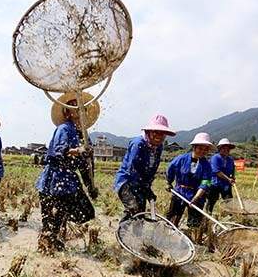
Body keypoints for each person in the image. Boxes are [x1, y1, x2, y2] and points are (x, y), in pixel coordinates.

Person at [36, 92, 99, 252]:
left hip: (69, 180)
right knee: (52, 223)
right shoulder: (64, 128)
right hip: (55, 179)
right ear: (67, 112)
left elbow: (86, 166)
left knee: (86, 212)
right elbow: (60, 152)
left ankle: (58, 227)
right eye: (75, 107)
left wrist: (90, 186)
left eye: (82, 108)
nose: (79, 111)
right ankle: (49, 247)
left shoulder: (84, 136)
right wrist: (78, 150)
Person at [114, 114, 174, 220]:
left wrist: (147, 188)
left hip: (142, 184)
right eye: (156, 132)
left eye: (162, 133)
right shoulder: (138, 144)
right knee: (133, 209)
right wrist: (145, 188)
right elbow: (132, 170)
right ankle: (123, 234)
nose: (159, 136)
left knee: (141, 213)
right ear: (149, 131)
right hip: (127, 182)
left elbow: (152, 169)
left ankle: (136, 234)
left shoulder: (159, 147)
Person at [165, 132, 214, 228]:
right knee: (173, 218)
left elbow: (206, 182)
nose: (202, 151)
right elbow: (170, 169)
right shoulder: (181, 159)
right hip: (180, 192)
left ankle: (192, 238)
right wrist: (169, 182)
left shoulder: (207, 165)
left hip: (197, 194)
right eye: (200, 148)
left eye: (205, 149)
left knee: (194, 223)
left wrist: (196, 198)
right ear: (194, 147)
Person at [206, 137, 236, 213]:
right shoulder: (215, 158)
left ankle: (230, 216)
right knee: (212, 200)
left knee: (229, 200)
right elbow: (217, 171)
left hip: (226, 184)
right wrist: (229, 179)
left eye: (228, 149)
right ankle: (208, 215)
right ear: (220, 149)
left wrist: (233, 177)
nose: (226, 150)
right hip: (214, 183)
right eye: (224, 148)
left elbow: (233, 169)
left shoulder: (230, 159)